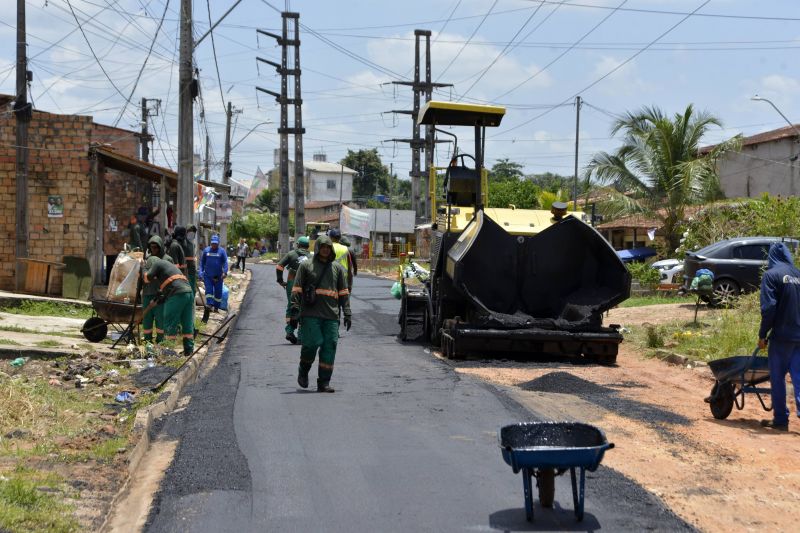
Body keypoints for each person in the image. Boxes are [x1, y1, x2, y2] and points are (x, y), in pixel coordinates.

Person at [290, 235, 352, 393]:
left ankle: (324, 382)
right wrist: (294, 310)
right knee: (311, 344)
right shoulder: (306, 266)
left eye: (328, 247)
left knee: (329, 346)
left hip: (331, 315)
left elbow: (344, 292)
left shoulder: (337, 268)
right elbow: (296, 288)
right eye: (323, 246)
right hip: (311, 314)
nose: (325, 249)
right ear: (317, 248)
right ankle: (303, 371)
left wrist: (347, 312)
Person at [757, 242, 800, 431]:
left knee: (778, 378)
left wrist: (762, 334)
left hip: (782, 337)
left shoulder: (771, 275)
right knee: (799, 378)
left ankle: (781, 420)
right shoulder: (798, 274)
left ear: (771, 257)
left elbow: (768, 308)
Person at [140, 256, 194, 356]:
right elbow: (168, 287)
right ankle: (189, 350)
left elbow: (147, 279)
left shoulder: (157, 264)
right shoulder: (168, 268)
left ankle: (168, 352)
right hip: (188, 292)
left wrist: (142, 267)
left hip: (177, 293)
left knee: (169, 323)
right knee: (187, 323)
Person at [276, 236, 311, 344]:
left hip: (292, 283)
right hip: (306, 285)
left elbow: (279, 267)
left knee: (291, 306)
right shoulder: (311, 257)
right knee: (304, 307)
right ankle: (300, 336)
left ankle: (289, 330)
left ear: (298, 244)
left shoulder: (291, 254)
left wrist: (280, 280)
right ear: (308, 246)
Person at [141, 235, 174, 344]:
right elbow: (143, 276)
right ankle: (147, 341)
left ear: (160, 247)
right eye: (152, 247)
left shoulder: (167, 259)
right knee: (147, 319)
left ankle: (160, 341)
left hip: (161, 296)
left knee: (161, 319)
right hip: (147, 293)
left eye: (156, 247)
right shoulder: (148, 259)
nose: (153, 250)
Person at [199, 234, 228, 323]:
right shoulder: (206, 251)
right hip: (208, 276)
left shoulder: (222, 251)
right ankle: (209, 304)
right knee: (209, 291)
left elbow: (225, 262)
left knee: (218, 292)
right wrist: (200, 272)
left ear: (218, 243)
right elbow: (202, 262)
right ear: (211, 243)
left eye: (215, 243)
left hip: (218, 276)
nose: (214, 245)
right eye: (212, 243)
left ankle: (216, 306)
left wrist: (225, 272)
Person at [178, 225, 198, 297]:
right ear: (186, 232)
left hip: (192, 269)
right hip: (184, 269)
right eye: (190, 231)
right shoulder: (183, 242)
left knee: (192, 288)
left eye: (193, 232)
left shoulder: (193, 244)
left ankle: (191, 304)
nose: (192, 233)